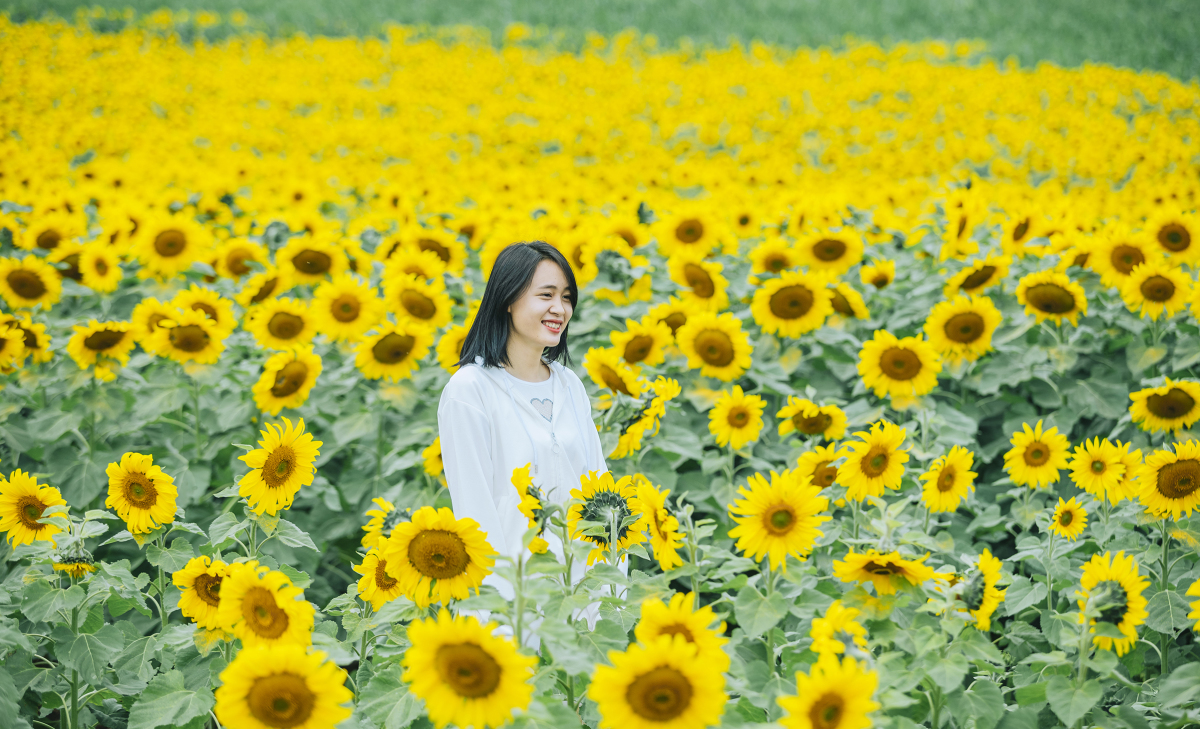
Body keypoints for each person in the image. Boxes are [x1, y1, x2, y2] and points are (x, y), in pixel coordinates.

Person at [438, 241, 607, 602]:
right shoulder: (470, 390)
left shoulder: (569, 385)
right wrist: (501, 610)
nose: (559, 309)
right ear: (509, 299)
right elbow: (475, 511)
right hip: (513, 601)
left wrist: (607, 587)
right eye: (546, 295)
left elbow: (599, 487)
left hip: (580, 595)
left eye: (566, 297)